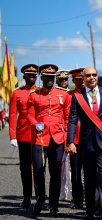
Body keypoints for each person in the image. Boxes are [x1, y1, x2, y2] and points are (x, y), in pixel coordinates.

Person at [67, 66, 102, 220]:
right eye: (88, 76)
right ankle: (90, 211)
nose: (92, 77)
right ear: (83, 79)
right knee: (89, 177)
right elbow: (72, 121)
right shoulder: (77, 97)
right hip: (86, 144)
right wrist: (70, 142)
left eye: (94, 75)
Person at [27, 64, 70, 216]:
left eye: (52, 77)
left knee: (55, 171)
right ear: (42, 78)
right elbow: (29, 114)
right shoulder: (34, 94)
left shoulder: (63, 94)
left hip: (57, 136)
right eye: (47, 77)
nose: (50, 80)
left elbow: (67, 117)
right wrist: (35, 124)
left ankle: (54, 203)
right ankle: (40, 197)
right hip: (39, 136)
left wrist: (66, 136)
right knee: (38, 169)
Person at [9, 64, 39, 208]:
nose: (32, 77)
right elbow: (13, 115)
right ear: (24, 76)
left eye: (34, 75)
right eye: (29, 74)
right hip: (23, 135)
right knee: (25, 168)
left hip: (39, 135)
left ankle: (40, 197)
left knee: (39, 167)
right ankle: (26, 197)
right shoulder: (17, 93)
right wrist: (12, 136)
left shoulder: (42, 91)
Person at [67, 68, 85, 209]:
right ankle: (78, 199)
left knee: (93, 172)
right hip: (75, 140)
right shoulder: (68, 96)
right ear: (73, 80)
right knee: (76, 172)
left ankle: (94, 200)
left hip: (91, 139)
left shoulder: (93, 94)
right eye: (78, 79)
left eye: (83, 78)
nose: (82, 81)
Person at [55, 70, 71, 202]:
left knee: (73, 167)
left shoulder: (72, 95)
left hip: (72, 133)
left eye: (66, 79)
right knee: (60, 166)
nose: (64, 81)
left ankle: (73, 192)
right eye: (61, 80)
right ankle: (62, 191)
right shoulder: (55, 94)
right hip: (59, 133)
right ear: (57, 81)